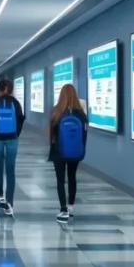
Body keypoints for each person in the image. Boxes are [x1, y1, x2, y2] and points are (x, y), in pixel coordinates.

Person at [0, 78, 25, 217]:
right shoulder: (15, 102)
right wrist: (16, 134)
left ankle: (1, 195)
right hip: (12, 138)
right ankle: (10, 204)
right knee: (11, 169)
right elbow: (21, 119)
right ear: (10, 89)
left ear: (0, 88)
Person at [48, 84, 87, 223]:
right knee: (72, 177)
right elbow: (84, 134)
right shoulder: (81, 114)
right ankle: (71, 207)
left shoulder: (56, 111)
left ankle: (63, 209)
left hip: (58, 150)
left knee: (60, 180)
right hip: (75, 150)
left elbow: (51, 132)